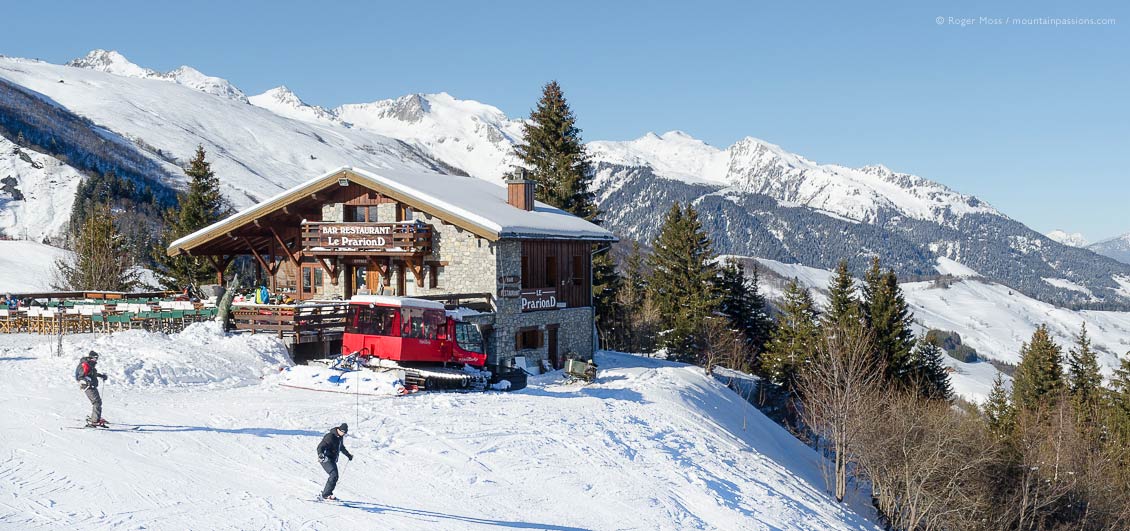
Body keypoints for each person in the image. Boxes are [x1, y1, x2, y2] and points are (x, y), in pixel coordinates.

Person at [316, 423, 353, 500]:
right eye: (342, 432)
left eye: (345, 433)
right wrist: (320, 454)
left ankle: (327, 493)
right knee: (333, 474)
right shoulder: (330, 436)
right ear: (339, 430)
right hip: (325, 458)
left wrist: (348, 455)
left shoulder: (340, 437)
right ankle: (326, 495)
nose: (343, 434)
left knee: (335, 476)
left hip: (332, 459)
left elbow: (341, 447)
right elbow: (321, 446)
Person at [75, 351, 108, 427]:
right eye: (95, 358)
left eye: (97, 358)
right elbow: (80, 377)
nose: (96, 360)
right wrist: (88, 382)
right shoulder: (85, 365)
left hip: (91, 385)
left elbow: (92, 374)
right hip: (88, 386)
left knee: (98, 402)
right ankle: (95, 421)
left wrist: (101, 376)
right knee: (96, 402)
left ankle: (96, 417)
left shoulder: (90, 365)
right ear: (91, 357)